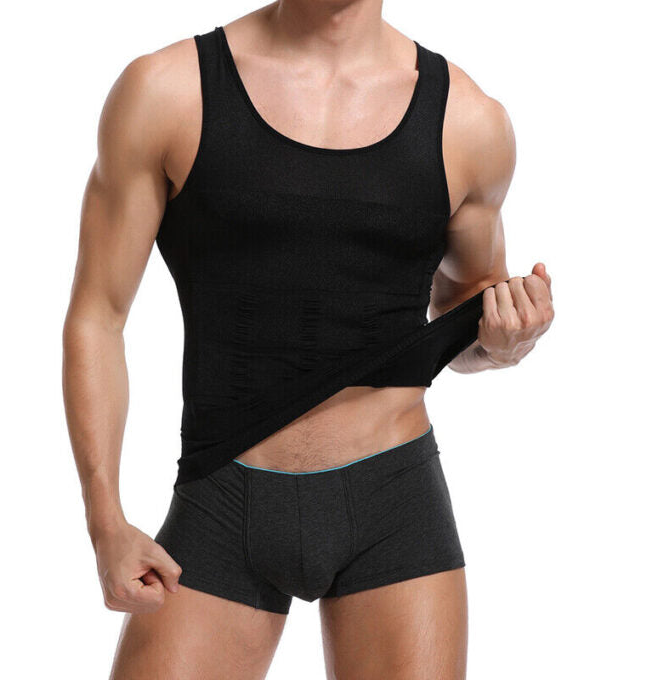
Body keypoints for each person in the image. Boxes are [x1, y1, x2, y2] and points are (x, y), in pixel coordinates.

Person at [62, 2, 554, 678]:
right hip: (223, 495)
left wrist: (502, 342)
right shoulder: (169, 92)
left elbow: (467, 317)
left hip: (393, 501)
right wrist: (106, 522)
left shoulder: (469, 122)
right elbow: (97, 315)